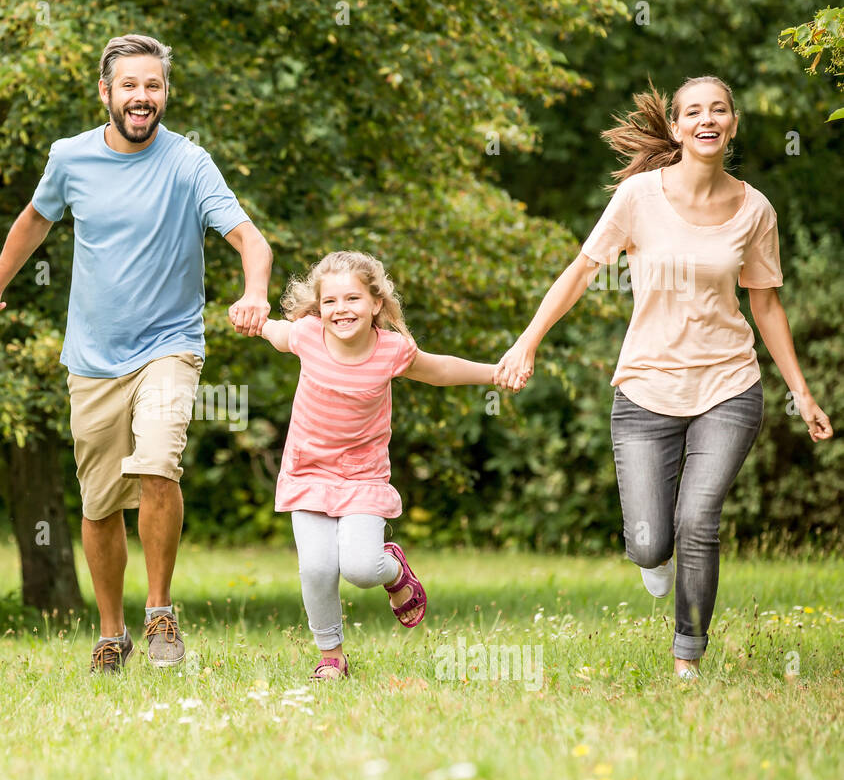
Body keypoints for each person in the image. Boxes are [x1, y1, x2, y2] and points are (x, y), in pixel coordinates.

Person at [496, 77, 833, 679]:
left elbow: (767, 306)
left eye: (719, 109)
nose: (707, 119)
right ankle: (651, 557)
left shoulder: (756, 209)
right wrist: (528, 340)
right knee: (652, 542)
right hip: (645, 387)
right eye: (694, 112)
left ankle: (687, 659)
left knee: (699, 521)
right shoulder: (637, 198)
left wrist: (800, 392)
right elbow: (581, 272)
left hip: (729, 384)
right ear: (677, 128)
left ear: (732, 124)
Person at [0, 34, 273, 673]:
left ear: (165, 93)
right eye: (130, 86)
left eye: (153, 86)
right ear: (105, 93)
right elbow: (33, 221)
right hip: (91, 358)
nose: (143, 97)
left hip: (170, 345)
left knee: (159, 460)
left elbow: (251, 240)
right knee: (100, 503)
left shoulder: (190, 164)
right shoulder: (70, 158)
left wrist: (254, 293)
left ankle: (160, 612)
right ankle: (111, 633)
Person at [256, 251, 504, 680]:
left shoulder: (392, 350)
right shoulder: (306, 336)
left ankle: (393, 568)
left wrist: (494, 374)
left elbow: (441, 369)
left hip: (363, 477)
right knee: (316, 567)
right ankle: (331, 655)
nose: (340, 310)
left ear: (375, 303)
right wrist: (250, 315)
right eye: (330, 301)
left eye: (352, 298)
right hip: (308, 472)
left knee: (360, 569)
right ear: (319, 307)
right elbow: (272, 329)